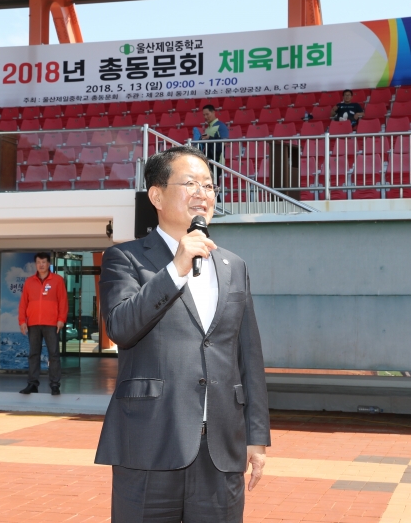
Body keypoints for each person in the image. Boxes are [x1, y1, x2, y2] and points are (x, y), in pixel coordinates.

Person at [96, 146, 270, 522]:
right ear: (156, 195)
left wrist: (257, 436)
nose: (202, 193)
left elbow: (248, 355)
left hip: (221, 448)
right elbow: (122, 328)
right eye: (189, 183)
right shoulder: (125, 258)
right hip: (149, 442)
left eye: (209, 185)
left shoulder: (233, 266)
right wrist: (176, 267)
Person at [18, 252, 68, 396]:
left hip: (52, 323)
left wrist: (61, 319)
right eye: (39, 262)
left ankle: (54, 384)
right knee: (34, 354)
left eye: (44, 262)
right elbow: (23, 303)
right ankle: (32, 384)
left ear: (49, 264)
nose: (41, 265)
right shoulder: (29, 282)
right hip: (33, 323)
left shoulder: (57, 280)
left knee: (54, 354)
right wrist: (22, 321)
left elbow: (63, 301)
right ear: (36, 264)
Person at [199, 104, 229, 187]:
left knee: (213, 184)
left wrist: (210, 138)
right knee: (211, 184)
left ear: (213, 113)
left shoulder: (220, 126)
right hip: (209, 159)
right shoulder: (208, 127)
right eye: (204, 115)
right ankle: (216, 200)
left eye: (207, 114)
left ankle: (217, 200)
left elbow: (225, 142)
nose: (205, 117)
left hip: (217, 159)